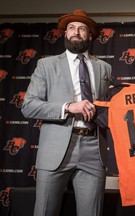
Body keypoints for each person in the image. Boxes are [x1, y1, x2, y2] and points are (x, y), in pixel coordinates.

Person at [21, 9, 112, 216]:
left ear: (90, 35)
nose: (76, 32)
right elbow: (28, 106)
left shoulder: (104, 68)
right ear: (65, 34)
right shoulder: (46, 65)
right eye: (71, 28)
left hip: (94, 149)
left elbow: (107, 105)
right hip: (56, 148)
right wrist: (68, 107)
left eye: (82, 28)